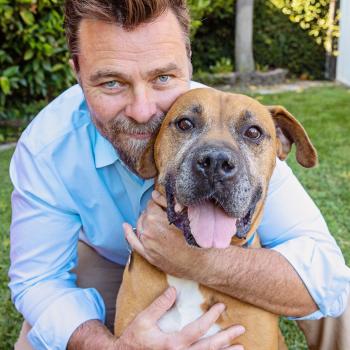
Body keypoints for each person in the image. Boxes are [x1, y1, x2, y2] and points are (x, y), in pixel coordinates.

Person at [9, 1, 350, 349]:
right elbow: (37, 281)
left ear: (188, 62)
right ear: (78, 73)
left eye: (162, 77)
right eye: (112, 82)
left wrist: (200, 262)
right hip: (109, 256)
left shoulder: (239, 123)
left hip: (231, 251)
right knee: (37, 336)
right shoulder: (47, 147)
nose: (142, 111)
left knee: (342, 309)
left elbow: (327, 275)